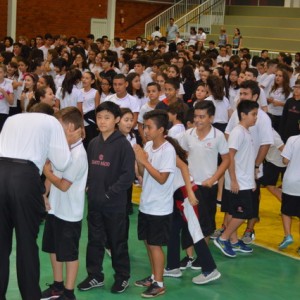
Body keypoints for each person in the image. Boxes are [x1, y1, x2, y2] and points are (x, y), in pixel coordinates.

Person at [0, 111, 74, 300]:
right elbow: (63, 163)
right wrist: (63, 142)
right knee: (26, 244)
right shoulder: (51, 122)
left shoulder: (12, 118)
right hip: (25, 178)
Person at [77, 101, 135, 294]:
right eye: (100, 117)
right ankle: (95, 275)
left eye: (107, 117)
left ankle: (122, 277)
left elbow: (127, 176)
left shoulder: (123, 145)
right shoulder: (93, 143)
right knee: (94, 241)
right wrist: (88, 188)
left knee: (117, 242)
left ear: (117, 120)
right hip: (94, 203)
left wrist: (110, 193)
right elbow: (89, 170)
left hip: (114, 205)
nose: (102, 121)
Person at [41, 107, 88, 300]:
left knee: (69, 254)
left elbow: (63, 184)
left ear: (70, 127)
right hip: (55, 209)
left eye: (58, 127)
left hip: (69, 213)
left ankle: (68, 293)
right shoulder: (62, 148)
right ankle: (58, 286)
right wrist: (44, 195)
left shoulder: (78, 155)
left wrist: (46, 172)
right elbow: (52, 173)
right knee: (53, 249)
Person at [133, 110, 176, 297]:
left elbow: (161, 178)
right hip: (146, 204)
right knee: (148, 242)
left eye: (149, 127)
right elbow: (143, 173)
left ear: (161, 130)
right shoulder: (149, 145)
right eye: (144, 126)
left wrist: (144, 161)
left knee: (155, 245)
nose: (145, 130)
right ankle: (153, 276)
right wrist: (139, 161)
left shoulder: (168, 150)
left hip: (160, 208)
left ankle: (159, 283)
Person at [214, 100, 259, 258]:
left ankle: (233, 241)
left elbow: (246, 159)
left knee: (234, 212)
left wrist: (252, 180)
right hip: (238, 181)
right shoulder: (237, 132)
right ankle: (224, 238)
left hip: (245, 181)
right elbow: (230, 157)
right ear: (243, 115)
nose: (256, 118)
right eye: (253, 114)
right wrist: (233, 180)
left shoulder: (246, 132)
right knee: (243, 212)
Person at [279, 129, 300, 252]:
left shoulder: (292, 139)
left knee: (286, 211)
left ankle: (288, 235)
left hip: (291, 182)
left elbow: (285, 160)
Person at [0, 65, 14, 131]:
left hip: (3, 112)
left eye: (0, 72)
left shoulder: (8, 85)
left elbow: (11, 102)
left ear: (5, 73)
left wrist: (3, 92)